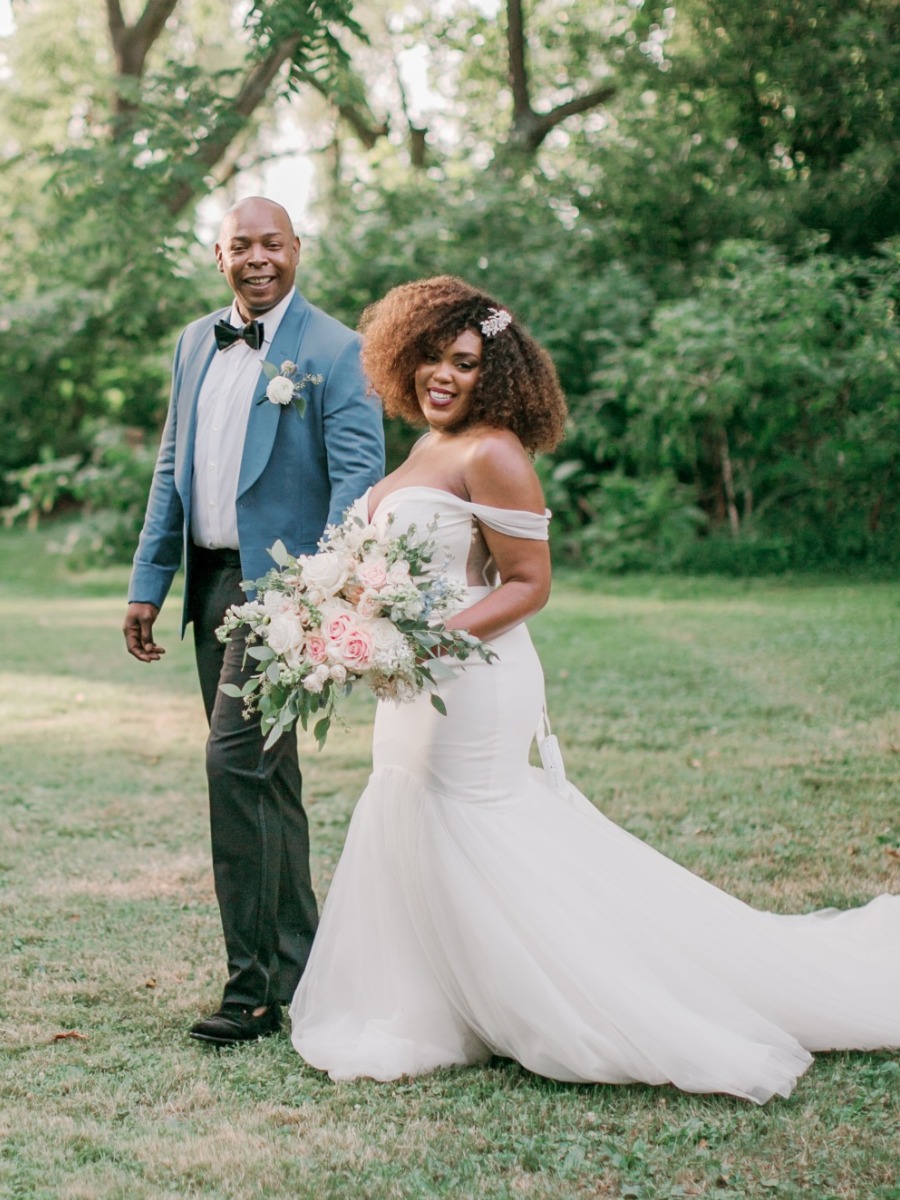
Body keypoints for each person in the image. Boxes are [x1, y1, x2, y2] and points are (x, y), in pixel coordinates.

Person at [288, 275, 900, 1103]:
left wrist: (425, 641)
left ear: (494, 373)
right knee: (411, 813)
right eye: (429, 356)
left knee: (480, 826)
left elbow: (529, 582)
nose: (443, 374)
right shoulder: (426, 451)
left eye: (464, 363)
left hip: (469, 678)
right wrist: (345, 617)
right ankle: (437, 1005)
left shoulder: (492, 451)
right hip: (411, 685)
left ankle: (572, 997)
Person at [123, 197, 385, 1046]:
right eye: (242, 246)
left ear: (298, 249)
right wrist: (148, 580)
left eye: (273, 244)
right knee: (266, 780)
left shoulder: (338, 350)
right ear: (219, 254)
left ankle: (252, 990)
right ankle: (300, 973)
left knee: (235, 765)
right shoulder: (195, 341)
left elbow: (357, 479)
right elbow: (173, 465)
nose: (257, 258)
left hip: (287, 597)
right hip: (210, 588)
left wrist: (326, 591)